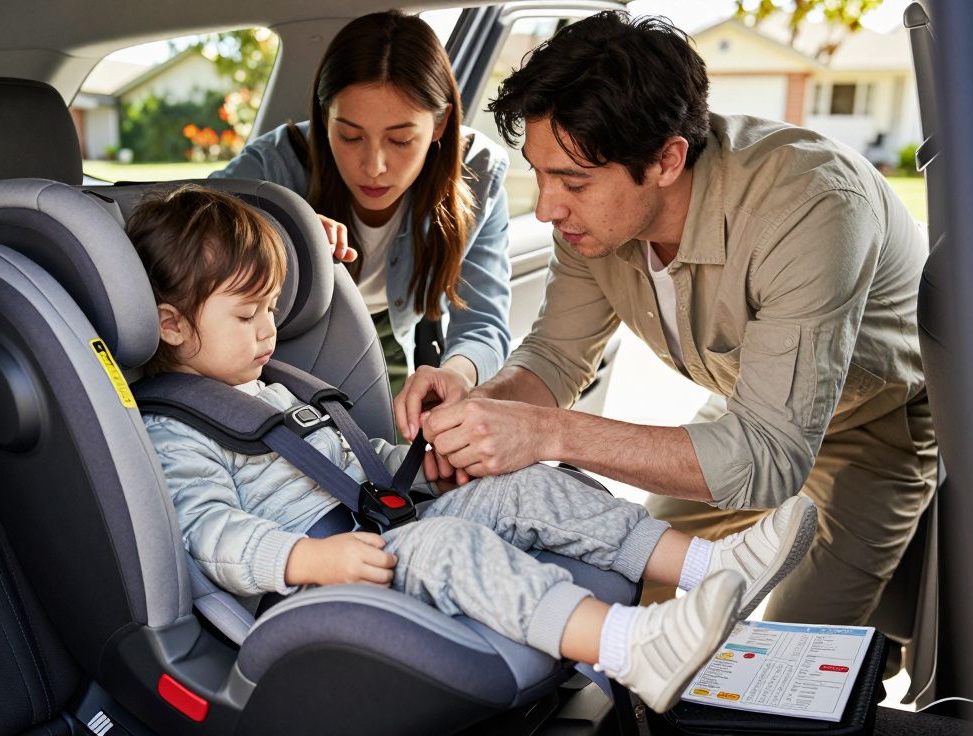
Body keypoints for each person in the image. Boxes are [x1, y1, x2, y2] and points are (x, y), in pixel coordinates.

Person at [125, 184, 819, 713]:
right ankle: (631, 646)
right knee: (449, 548)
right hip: (317, 584)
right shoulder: (172, 432)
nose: (269, 330)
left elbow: (337, 459)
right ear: (172, 325)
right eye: (247, 315)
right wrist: (310, 558)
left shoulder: (268, 386)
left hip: (381, 529)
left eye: (273, 308)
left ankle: (705, 562)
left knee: (523, 484)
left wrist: (410, 467)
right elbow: (210, 533)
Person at [397, 11, 936, 630]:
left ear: (667, 159)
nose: (547, 207)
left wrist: (547, 433)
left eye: (572, 181)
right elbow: (554, 357)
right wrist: (476, 412)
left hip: (875, 425)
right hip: (752, 408)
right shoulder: (592, 223)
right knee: (635, 570)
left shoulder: (812, 206)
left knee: (799, 644)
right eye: (541, 175)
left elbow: (768, 458)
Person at [211, 10, 511, 399]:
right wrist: (280, 232)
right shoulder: (275, 162)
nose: (374, 167)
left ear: (439, 124)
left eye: (401, 140)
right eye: (350, 136)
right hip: (280, 347)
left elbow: (483, 323)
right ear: (324, 117)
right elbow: (178, 225)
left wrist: (456, 374)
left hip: (394, 340)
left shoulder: (478, 173)